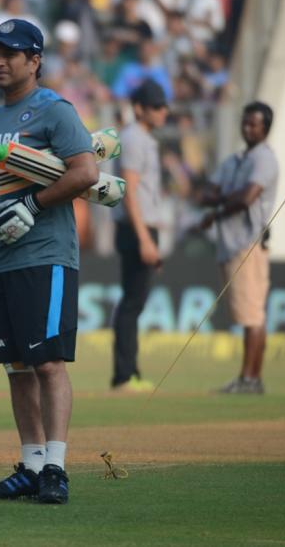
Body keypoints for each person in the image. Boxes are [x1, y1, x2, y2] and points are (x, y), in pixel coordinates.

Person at [0, 19, 99, 505]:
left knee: (48, 363)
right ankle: (31, 466)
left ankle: (56, 467)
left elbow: (86, 172)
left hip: (46, 256)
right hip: (1, 261)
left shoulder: (56, 110)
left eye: (10, 54)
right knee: (16, 367)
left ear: (35, 61)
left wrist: (33, 204)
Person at [199, 102, 279, 394]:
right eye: (245, 123)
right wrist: (225, 199)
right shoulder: (235, 159)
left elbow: (247, 198)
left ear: (265, 128)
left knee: (252, 314)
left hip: (249, 243)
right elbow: (207, 193)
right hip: (230, 243)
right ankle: (250, 379)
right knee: (248, 314)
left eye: (253, 124)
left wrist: (218, 207)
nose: (247, 128)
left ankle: (250, 378)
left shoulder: (264, 159)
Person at [110, 79, 168, 392]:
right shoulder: (133, 138)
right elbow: (130, 191)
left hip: (141, 227)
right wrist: (145, 238)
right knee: (132, 302)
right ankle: (124, 375)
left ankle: (128, 371)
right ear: (139, 108)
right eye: (156, 106)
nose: (163, 111)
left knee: (134, 301)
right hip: (136, 228)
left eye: (164, 105)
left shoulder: (143, 138)